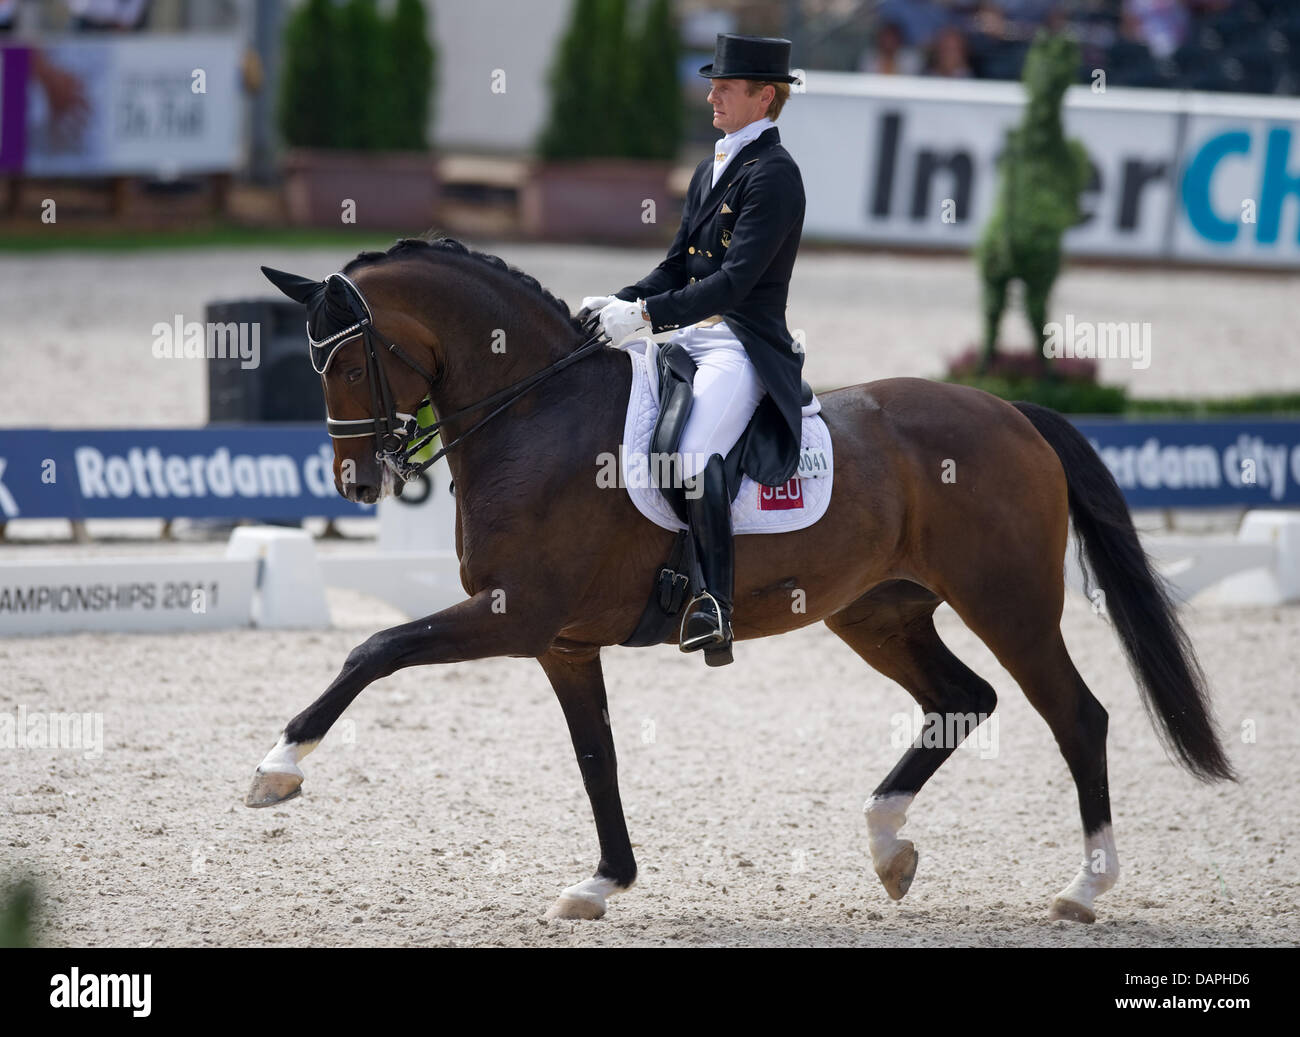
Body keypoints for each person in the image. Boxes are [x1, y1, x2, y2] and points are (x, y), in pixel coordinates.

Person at [583, 33, 806, 666]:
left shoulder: (776, 175)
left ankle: (714, 603)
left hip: (744, 342)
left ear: (765, 96)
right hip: (693, 335)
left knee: (692, 448)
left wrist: (647, 315)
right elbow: (680, 262)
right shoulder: (714, 165)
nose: (711, 93)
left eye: (725, 86)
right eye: (713, 84)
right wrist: (618, 302)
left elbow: (734, 281)